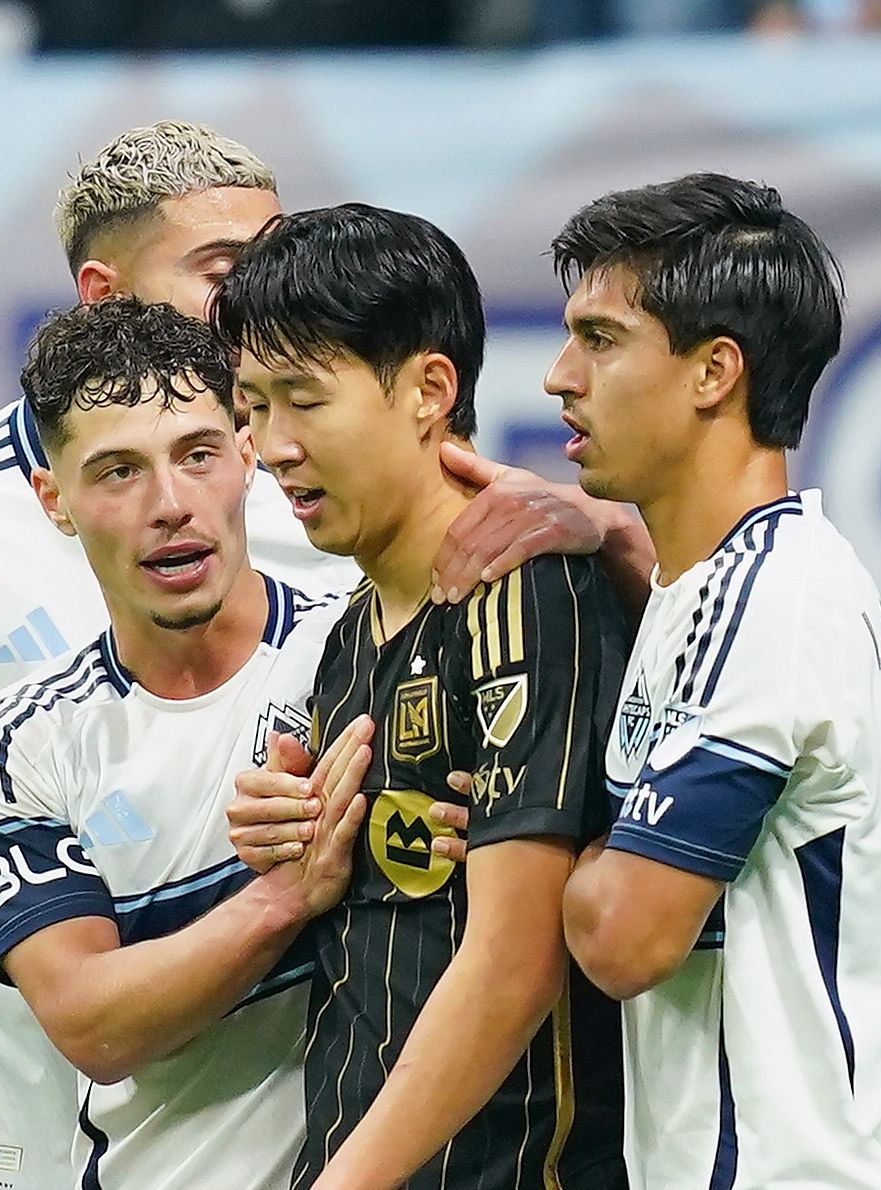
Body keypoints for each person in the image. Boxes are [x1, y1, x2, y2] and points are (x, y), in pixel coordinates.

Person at [0, 122, 625, 1190]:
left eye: (200, 455)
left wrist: (611, 531)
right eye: (225, 275)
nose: (258, 307)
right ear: (102, 294)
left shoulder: (322, 525)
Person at [548, 173, 881, 1188]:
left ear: (712, 372)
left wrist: (529, 839)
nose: (560, 376)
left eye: (600, 339)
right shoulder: (708, 589)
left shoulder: (769, 603)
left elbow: (623, 936)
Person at [215, 203, 630, 1190]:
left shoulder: (526, 591)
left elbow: (515, 958)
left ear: (427, 389)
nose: (268, 445)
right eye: (250, 404)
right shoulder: (346, 640)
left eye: (303, 400)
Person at [0, 296, 369, 1188]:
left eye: (198, 455)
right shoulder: (16, 745)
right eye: (117, 473)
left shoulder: (362, 651)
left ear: (247, 455)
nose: (171, 504)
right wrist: (282, 898)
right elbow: (94, 1025)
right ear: (53, 499)